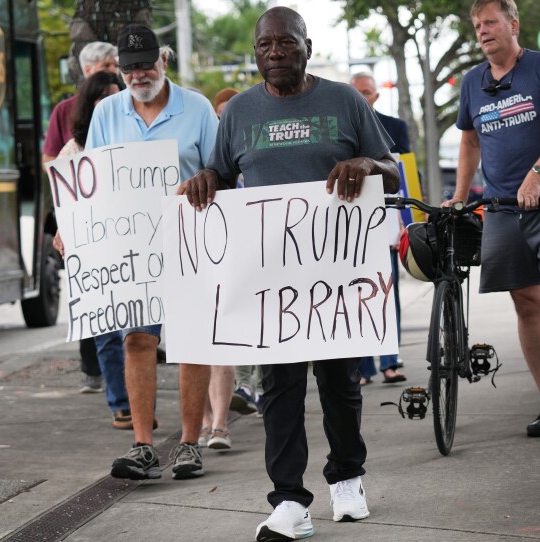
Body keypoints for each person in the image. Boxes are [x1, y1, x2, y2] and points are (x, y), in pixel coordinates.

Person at [179, 7, 401, 540]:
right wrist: (207, 178)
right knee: (279, 386)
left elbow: (392, 168)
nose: (274, 53)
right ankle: (289, 501)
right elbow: (222, 172)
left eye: (285, 43)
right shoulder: (239, 113)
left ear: (307, 44)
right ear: (255, 52)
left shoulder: (344, 100)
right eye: (264, 46)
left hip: (337, 274)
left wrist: (368, 165)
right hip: (267, 278)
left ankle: (347, 477)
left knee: (340, 380)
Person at [446, 0, 540, 438]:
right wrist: (458, 196)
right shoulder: (473, 82)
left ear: (513, 24)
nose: (482, 30)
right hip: (502, 207)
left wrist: (536, 175)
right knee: (527, 302)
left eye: (490, 22)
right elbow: (470, 143)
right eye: (477, 25)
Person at [86, 23, 218, 480]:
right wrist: (74, 228)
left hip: (191, 240)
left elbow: (221, 170)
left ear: (163, 59)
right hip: (132, 248)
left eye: (145, 65)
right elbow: (91, 181)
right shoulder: (106, 113)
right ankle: (142, 445)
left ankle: (188, 444)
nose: (138, 75)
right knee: (137, 340)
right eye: (129, 68)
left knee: (190, 342)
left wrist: (205, 183)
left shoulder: (198, 108)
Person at [51, 71, 130, 425]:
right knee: (107, 334)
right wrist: (62, 230)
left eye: (114, 94)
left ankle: (139, 402)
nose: (106, 103)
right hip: (95, 251)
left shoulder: (134, 139)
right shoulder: (74, 150)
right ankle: (120, 404)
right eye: (100, 97)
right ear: (89, 104)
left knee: (137, 333)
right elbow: (65, 201)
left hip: (132, 248)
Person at [42, 41, 119, 396]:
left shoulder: (132, 124)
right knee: (99, 316)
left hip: (127, 234)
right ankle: (109, 389)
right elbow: (55, 167)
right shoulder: (69, 126)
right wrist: (66, 220)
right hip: (91, 233)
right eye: (105, 64)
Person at [348, 72, 408, 385]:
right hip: (352, 227)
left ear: (376, 96)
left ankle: (390, 361)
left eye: (367, 92)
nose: (362, 97)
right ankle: (364, 367)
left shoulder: (395, 128)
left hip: (387, 221)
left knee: (388, 294)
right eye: (356, 92)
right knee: (357, 295)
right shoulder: (341, 128)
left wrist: (408, 225)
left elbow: (407, 179)